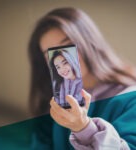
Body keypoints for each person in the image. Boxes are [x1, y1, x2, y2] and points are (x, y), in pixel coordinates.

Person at [28, 7, 136, 150]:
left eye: (67, 45)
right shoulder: (54, 103)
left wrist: (84, 128)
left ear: (89, 41)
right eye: (50, 54)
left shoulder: (130, 97)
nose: (60, 59)